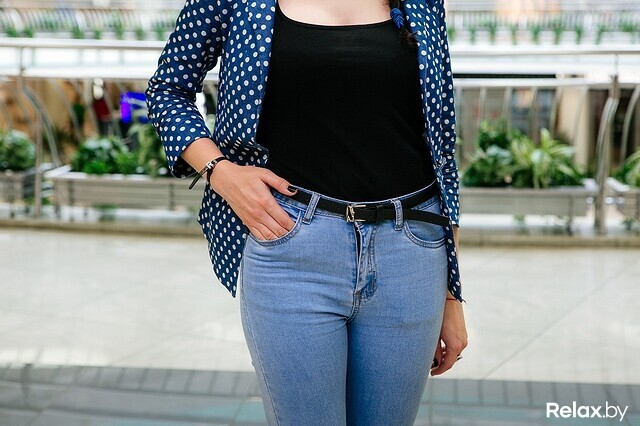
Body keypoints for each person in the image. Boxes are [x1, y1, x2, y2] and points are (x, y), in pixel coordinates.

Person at [146, 0, 468, 424]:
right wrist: (220, 172)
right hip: (291, 249)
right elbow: (167, 90)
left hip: (410, 253)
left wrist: (451, 295)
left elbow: (441, 147)